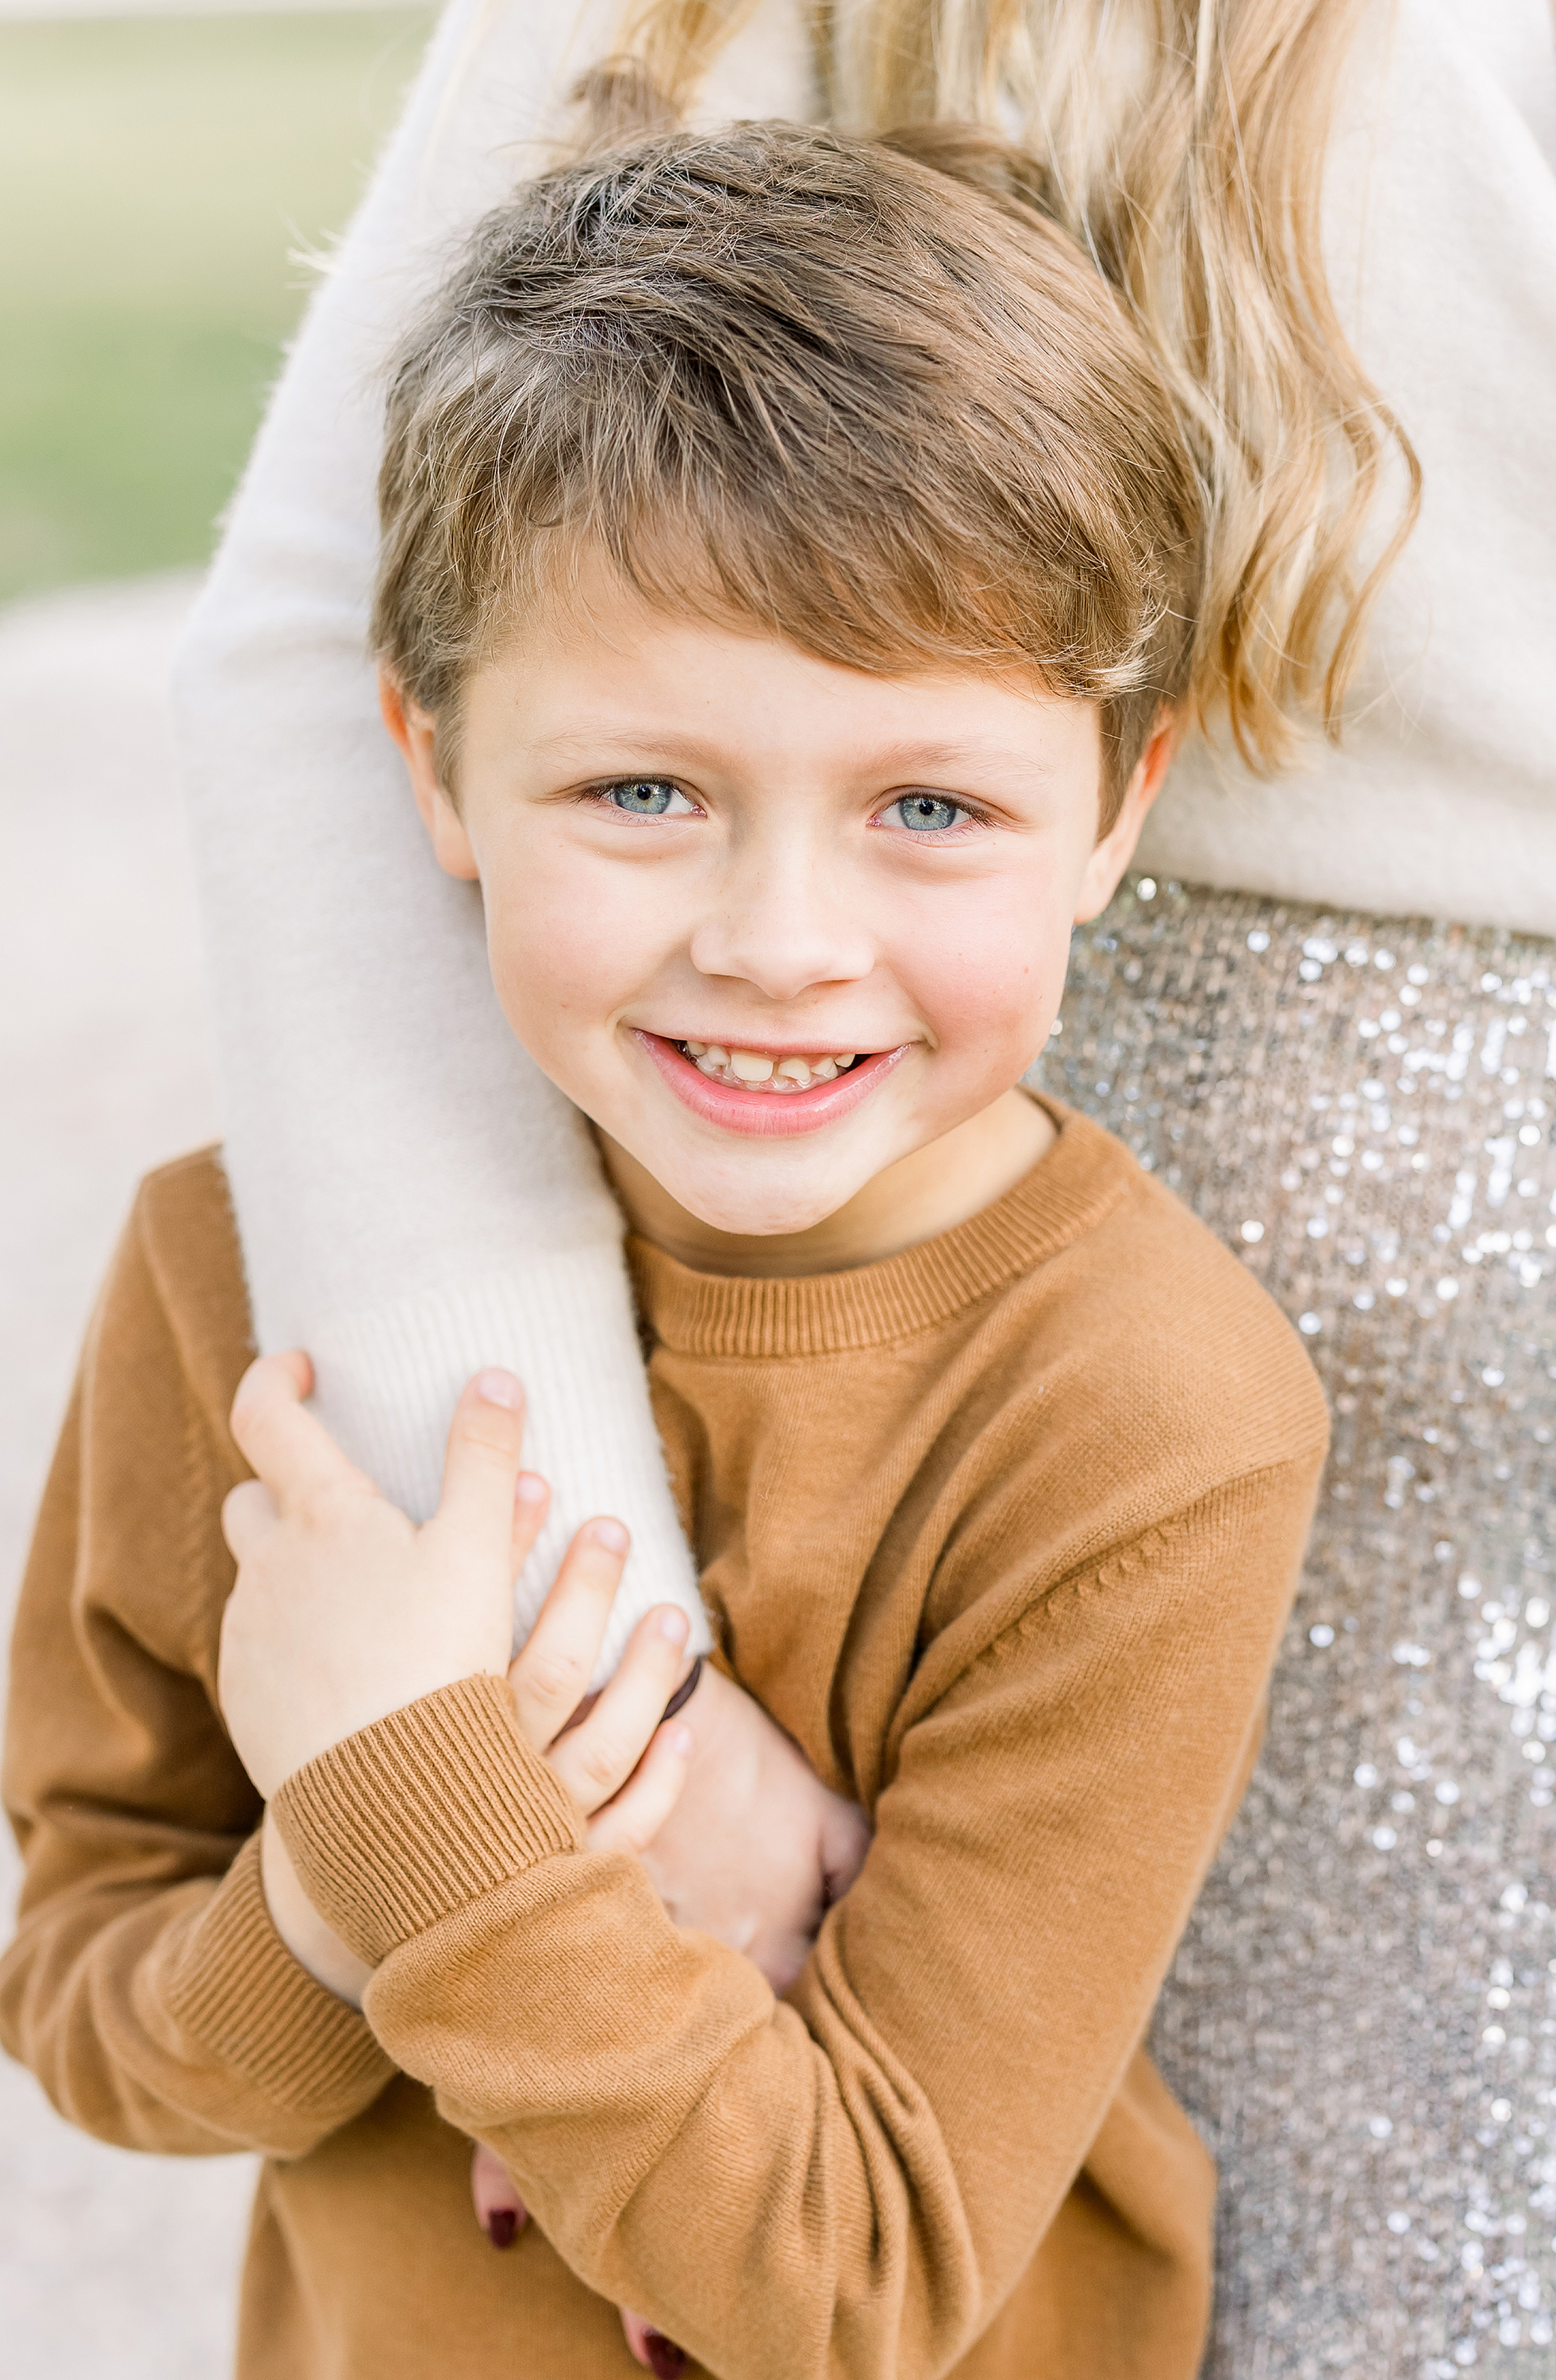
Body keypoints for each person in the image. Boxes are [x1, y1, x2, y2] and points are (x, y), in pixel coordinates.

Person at [156, 2, 1556, 2369]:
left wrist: (440, 1829)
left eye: (925, 804)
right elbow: (109, 2007)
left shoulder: (1161, 1420)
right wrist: (543, 1756)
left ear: (1112, 800)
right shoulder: (226, 1296)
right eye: (644, 798)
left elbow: (856, 2277)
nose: (779, 934)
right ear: (450, 763)